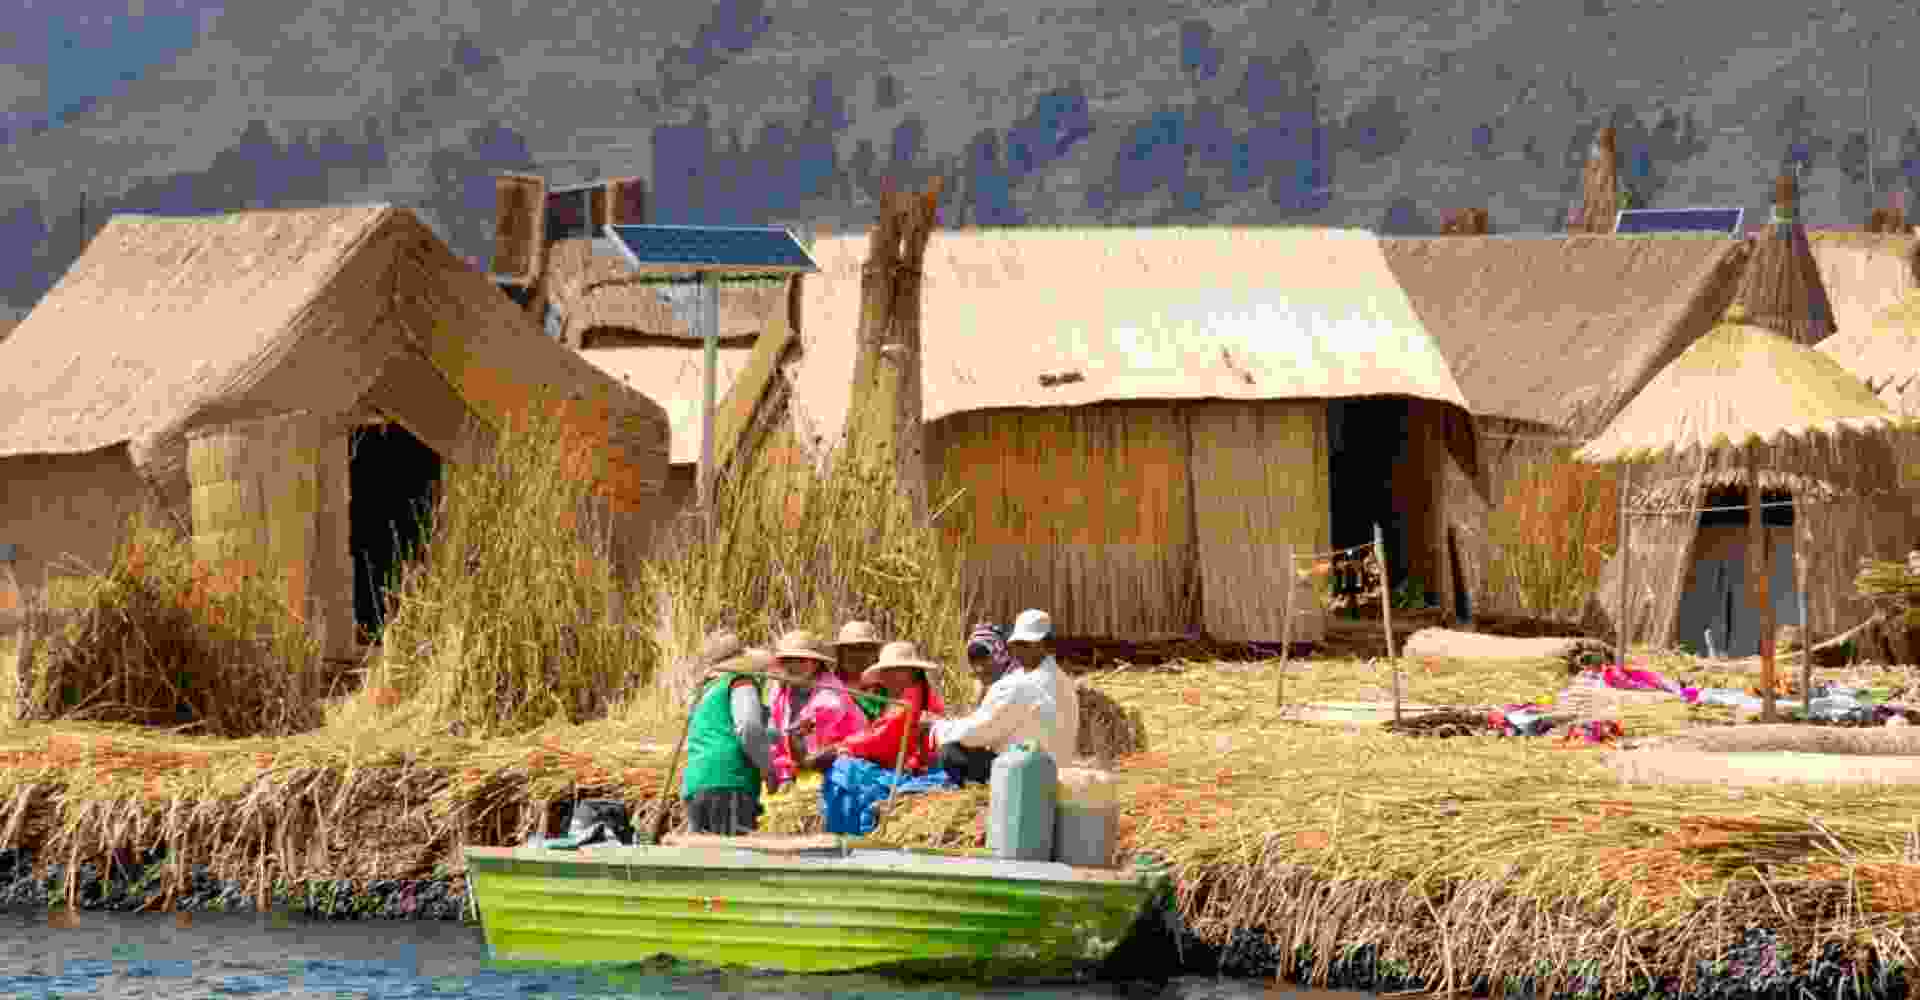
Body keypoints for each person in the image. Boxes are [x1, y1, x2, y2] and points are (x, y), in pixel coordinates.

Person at [816, 641, 954, 834]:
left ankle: (847, 833)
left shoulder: (909, 700)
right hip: (908, 767)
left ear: (912, 672)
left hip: (920, 773)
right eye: (886, 672)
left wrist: (841, 748)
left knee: (844, 770)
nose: (888, 678)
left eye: (896, 671)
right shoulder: (913, 694)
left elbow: (881, 738)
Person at [924, 627, 1050, 787]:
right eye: (974, 661)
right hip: (1025, 758)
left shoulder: (1011, 685)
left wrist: (938, 728)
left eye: (985, 659)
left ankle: (974, 789)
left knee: (950, 752)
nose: (979, 668)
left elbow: (981, 730)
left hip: (1026, 767)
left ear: (1000, 655)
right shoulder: (1010, 679)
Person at [680, 648, 778, 835]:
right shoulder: (740, 682)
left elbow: (724, 729)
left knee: (705, 856)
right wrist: (768, 770)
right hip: (729, 780)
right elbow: (748, 727)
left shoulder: (705, 692)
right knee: (733, 854)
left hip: (696, 782)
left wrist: (781, 735)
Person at [765, 629, 865, 793]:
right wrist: (784, 775)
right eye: (788, 660)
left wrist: (797, 771)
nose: (793, 666)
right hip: (799, 769)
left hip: (837, 766)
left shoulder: (830, 693)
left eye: (801, 660)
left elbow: (810, 746)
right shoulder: (779, 691)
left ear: (816, 663)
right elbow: (775, 738)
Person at [1005, 608, 1080, 764]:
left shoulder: (1037, 681)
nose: (1018, 650)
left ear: (1045, 645)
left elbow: (988, 727)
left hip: (1032, 764)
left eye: (1025, 644)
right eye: (1017, 644)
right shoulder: (1024, 676)